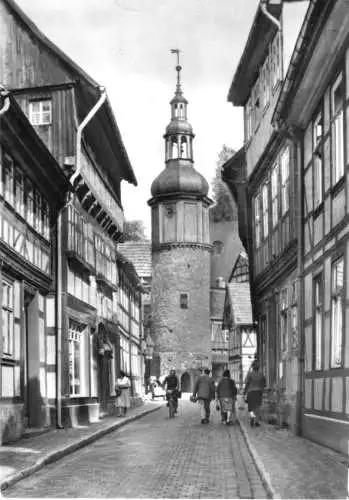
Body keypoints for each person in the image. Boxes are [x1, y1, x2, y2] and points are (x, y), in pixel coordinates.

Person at [244, 362, 266, 427]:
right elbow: (264, 383)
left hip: (250, 392)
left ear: (253, 368)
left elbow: (247, 384)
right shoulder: (261, 374)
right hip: (258, 392)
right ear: (258, 368)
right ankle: (256, 421)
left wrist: (245, 392)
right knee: (257, 407)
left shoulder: (250, 374)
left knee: (251, 407)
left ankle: (252, 418)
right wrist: (262, 388)